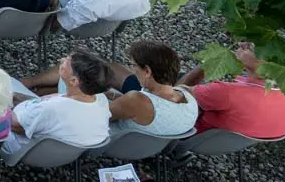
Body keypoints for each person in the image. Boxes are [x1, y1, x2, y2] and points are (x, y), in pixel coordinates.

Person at [26, 41, 195, 136]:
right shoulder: (189, 97)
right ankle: (37, 91)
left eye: (134, 66)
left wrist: (101, 93)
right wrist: (110, 95)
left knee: (76, 71)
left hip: (103, 138)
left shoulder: (137, 100)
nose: (132, 69)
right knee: (97, 76)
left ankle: (29, 88)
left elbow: (95, 114)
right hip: (147, 140)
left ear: (148, 71)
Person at [181, 42, 285, 139]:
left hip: (197, 137)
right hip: (236, 142)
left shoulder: (228, 92)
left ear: (264, 62)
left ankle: (173, 149)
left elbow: (178, 92)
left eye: (250, 47)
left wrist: (209, 64)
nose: (241, 43)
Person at [5, 52, 111, 156]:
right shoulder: (101, 100)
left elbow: (14, 125)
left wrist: (1, 103)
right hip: (71, 155)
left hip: (28, 151)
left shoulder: (52, 108)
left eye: (66, 62)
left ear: (74, 81)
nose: (61, 60)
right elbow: (55, 102)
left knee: (6, 83)